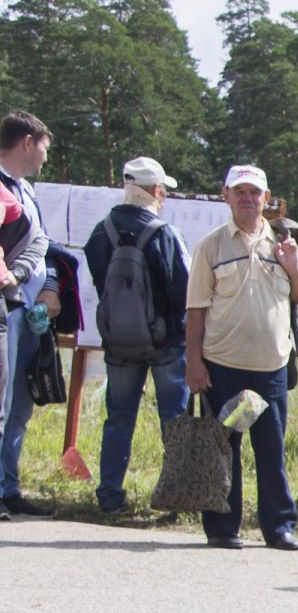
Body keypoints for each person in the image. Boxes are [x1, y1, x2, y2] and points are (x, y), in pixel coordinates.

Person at [183, 165, 298, 550]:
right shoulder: (211, 246)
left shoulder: (285, 242)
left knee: (271, 450)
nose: (247, 198)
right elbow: (195, 310)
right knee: (224, 449)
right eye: (239, 191)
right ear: (226, 195)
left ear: (266, 197)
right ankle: (223, 528)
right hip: (222, 365)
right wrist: (193, 361)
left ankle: (279, 528)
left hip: (270, 367)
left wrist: (293, 266)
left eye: (254, 192)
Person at [83, 156, 191, 514]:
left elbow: (102, 283)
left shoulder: (101, 231)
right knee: (173, 419)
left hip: (120, 341)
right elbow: (183, 293)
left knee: (118, 417)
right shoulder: (164, 233)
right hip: (166, 342)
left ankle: (110, 495)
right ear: (156, 190)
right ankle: (175, 497)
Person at [0, 111, 57, 519]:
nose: (45, 156)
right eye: (44, 147)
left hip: (30, 309)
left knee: (20, 405)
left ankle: (8, 486)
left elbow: (43, 245)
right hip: (7, 306)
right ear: (26, 142)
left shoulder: (27, 190)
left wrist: (50, 286)